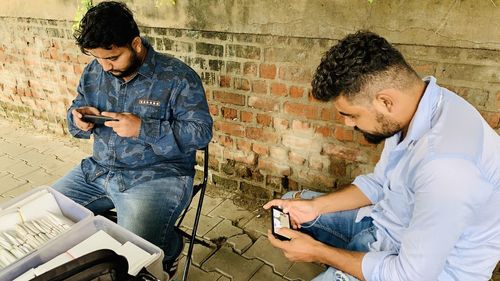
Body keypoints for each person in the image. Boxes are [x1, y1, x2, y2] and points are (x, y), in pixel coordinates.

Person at [264, 31, 500, 281]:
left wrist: (319, 253)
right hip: (384, 226)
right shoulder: (420, 107)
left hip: (421, 271)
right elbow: (379, 183)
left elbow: (409, 276)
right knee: (293, 207)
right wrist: (315, 207)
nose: (347, 124)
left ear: (386, 101)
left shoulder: (446, 167)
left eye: (351, 115)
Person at [52, 1, 213, 278]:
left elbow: (200, 133)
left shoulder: (177, 77)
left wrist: (143, 129)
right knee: (47, 216)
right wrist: (77, 118)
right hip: (98, 170)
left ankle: (169, 246)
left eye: (112, 58)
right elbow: (76, 114)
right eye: (98, 58)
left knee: (129, 255)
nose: (104, 67)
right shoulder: (94, 71)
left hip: (156, 177)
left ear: (136, 44)